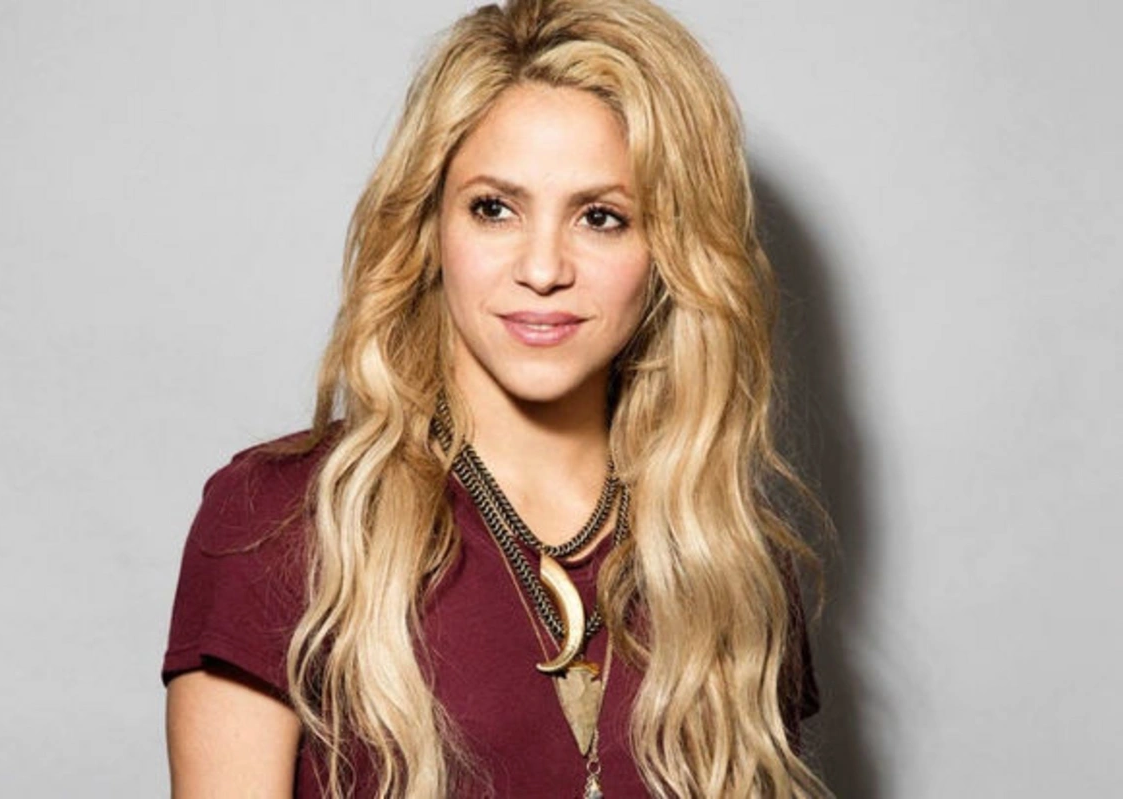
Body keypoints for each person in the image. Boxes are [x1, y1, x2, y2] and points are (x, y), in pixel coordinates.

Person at [162, 0, 830, 796]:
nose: (542, 268)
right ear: (430, 227)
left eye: (602, 217)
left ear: (671, 251)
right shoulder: (279, 524)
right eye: (494, 208)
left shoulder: (729, 559)